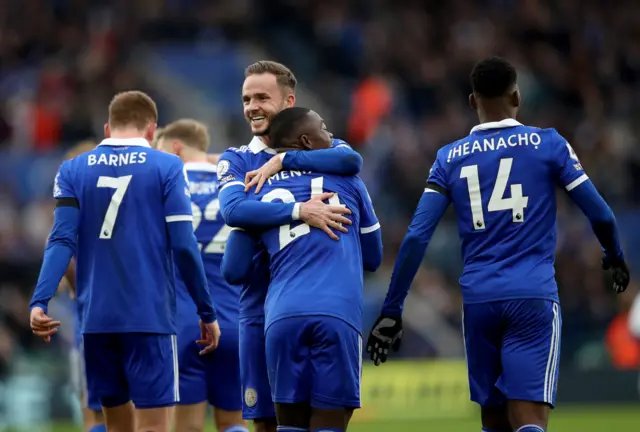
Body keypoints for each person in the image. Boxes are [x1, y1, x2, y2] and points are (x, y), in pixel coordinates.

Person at [366, 57, 630, 432]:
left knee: (493, 419)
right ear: (517, 96)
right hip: (532, 295)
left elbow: (416, 237)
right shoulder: (548, 144)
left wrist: (392, 309)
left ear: (473, 102)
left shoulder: (448, 157)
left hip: (479, 301)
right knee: (530, 418)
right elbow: (601, 214)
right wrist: (614, 256)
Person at [29, 91, 221, 432]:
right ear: (152, 130)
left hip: (97, 320)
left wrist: (39, 300)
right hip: (149, 317)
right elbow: (183, 244)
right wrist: (206, 310)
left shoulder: (72, 169)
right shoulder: (167, 166)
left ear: (107, 128)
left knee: (116, 427)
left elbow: (61, 240)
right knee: (153, 427)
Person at [217, 60, 363, 432]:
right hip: (258, 314)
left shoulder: (322, 146)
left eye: (263, 97)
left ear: (288, 100)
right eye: (247, 98)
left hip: (309, 306)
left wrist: (283, 158)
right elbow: (233, 210)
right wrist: (300, 210)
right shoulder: (236, 159)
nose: (252, 106)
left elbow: (352, 158)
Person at [155, 119, 248, 432]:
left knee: (187, 426)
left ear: (176, 148)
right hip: (235, 319)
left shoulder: (163, 184)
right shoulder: (236, 185)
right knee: (234, 424)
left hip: (182, 322)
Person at [61, 140, 107, 432]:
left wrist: (79, 288)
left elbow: (59, 252)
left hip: (89, 321)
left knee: (94, 409)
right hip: (125, 315)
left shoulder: (72, 205)